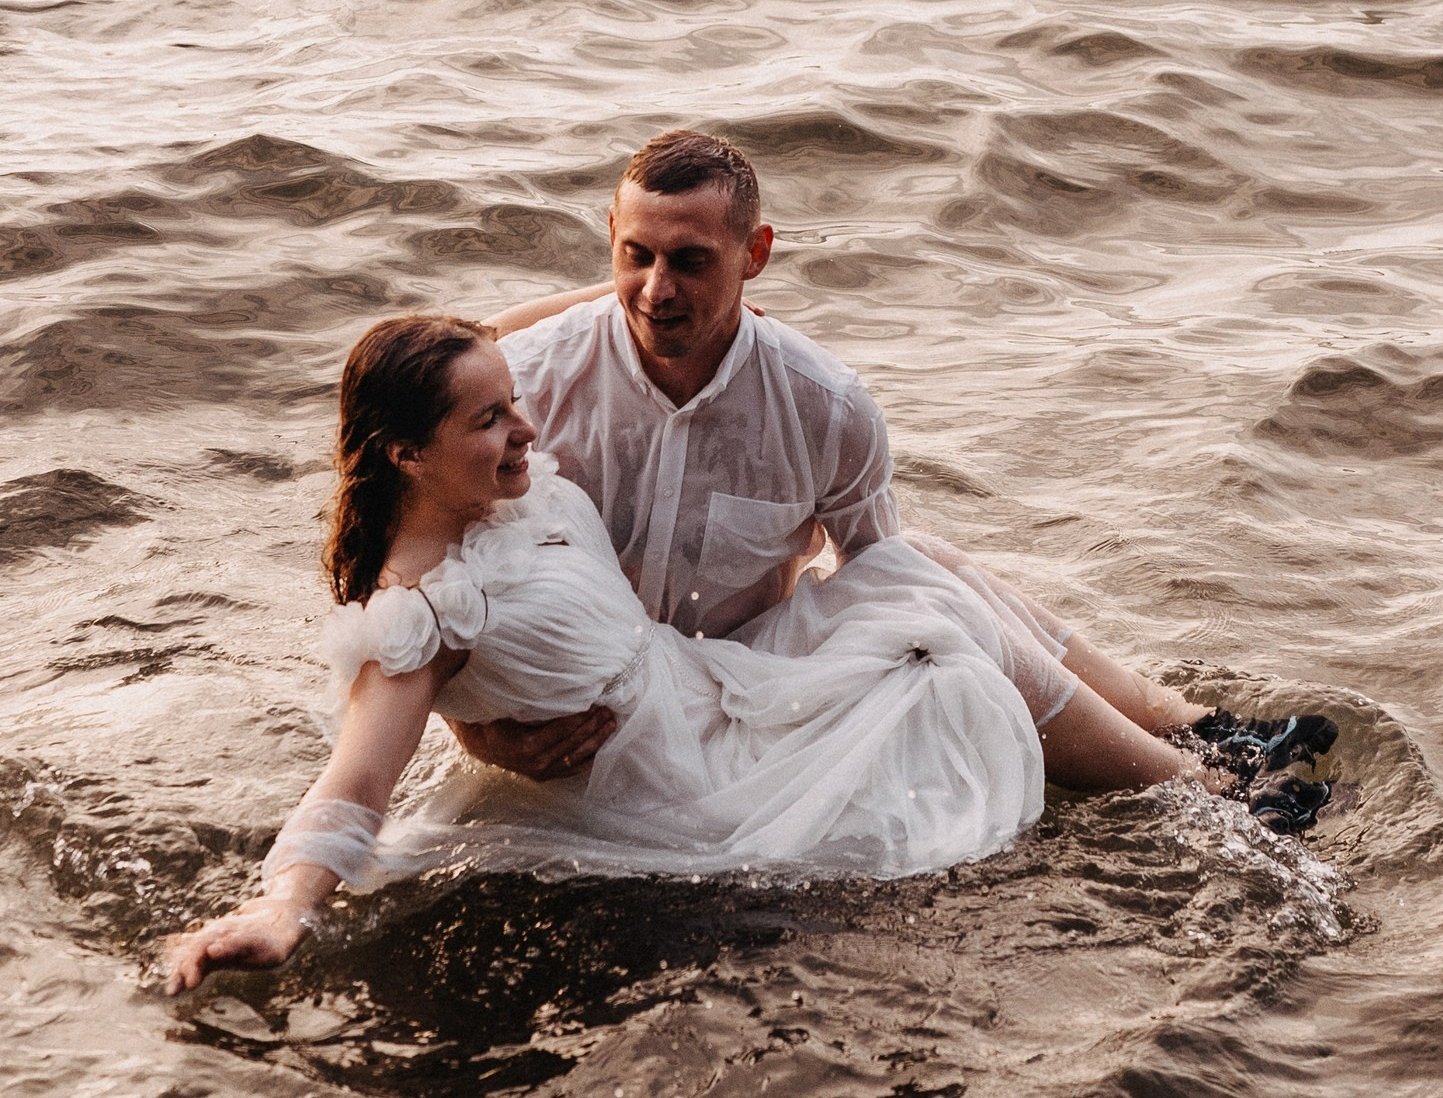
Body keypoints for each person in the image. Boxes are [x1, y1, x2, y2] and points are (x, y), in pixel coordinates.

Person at [162, 316, 1239, 994]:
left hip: (702, 680)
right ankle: (1195, 786)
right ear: (408, 453)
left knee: (921, 564)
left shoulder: (485, 486)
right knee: (935, 637)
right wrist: (283, 908)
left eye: (515, 404)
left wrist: (681, 302)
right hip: (692, 774)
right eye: (490, 421)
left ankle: (1176, 721)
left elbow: (487, 344)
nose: (524, 431)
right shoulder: (420, 617)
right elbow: (355, 776)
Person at [452, 128, 1211, 793]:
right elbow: (420, 558)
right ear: (611, 232)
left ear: (756, 254)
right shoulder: (528, 383)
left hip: (751, 683)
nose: (657, 291)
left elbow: (881, 573)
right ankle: (1187, 773)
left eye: (690, 262)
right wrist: (477, 734)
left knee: (923, 570)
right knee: (932, 584)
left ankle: (1183, 730)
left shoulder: (825, 404)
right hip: (600, 717)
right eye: (635, 256)